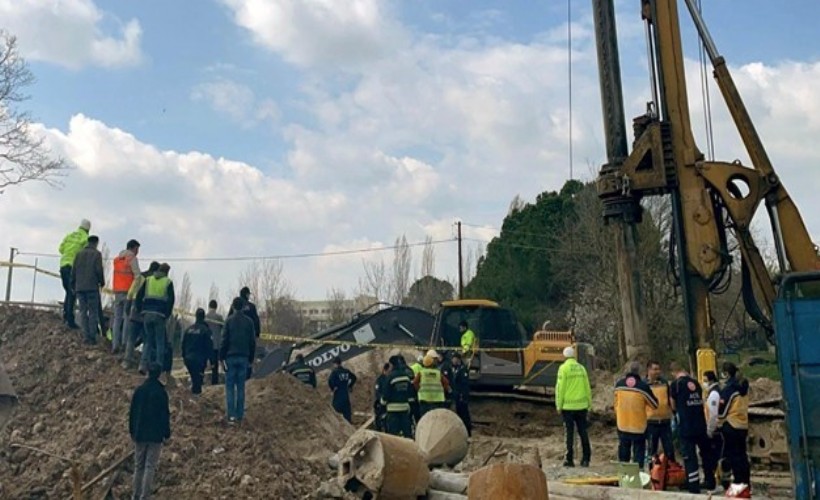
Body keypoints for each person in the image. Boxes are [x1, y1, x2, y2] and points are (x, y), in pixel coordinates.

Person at [670, 364, 717, 494]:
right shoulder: (696, 383)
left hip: (686, 427)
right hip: (701, 425)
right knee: (705, 454)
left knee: (690, 457)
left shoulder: (676, 385)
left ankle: (693, 485)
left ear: (675, 372)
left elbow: (673, 406)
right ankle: (710, 480)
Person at [129, 363, 170, 500]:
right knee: (149, 466)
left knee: (138, 466)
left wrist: (132, 431)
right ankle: (144, 496)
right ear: (159, 374)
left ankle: (135, 495)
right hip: (155, 435)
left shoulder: (139, 391)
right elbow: (165, 415)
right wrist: (166, 433)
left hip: (140, 433)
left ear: (147, 373)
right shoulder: (161, 392)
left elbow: (132, 413)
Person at [614, 361, 658, 468]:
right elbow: (654, 404)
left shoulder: (619, 385)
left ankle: (623, 475)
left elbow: (615, 403)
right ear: (640, 372)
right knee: (638, 452)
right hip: (638, 427)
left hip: (622, 424)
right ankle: (638, 476)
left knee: (624, 451)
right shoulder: (642, 387)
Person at [220, 297, 257, 424]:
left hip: (230, 357)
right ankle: (240, 415)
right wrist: (251, 358)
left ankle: (231, 416)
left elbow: (224, 340)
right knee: (241, 387)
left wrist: (221, 356)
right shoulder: (249, 322)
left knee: (229, 387)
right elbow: (252, 342)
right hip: (244, 357)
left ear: (233, 306)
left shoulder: (229, 321)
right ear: (243, 307)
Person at [136, 263, 175, 376]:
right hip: (159, 315)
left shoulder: (148, 280)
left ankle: (143, 365)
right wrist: (166, 315)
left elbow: (139, 296)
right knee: (159, 342)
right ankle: (158, 367)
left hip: (147, 314)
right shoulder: (168, 282)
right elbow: (171, 301)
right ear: (166, 272)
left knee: (148, 341)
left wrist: (141, 310)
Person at [556, 346, 592, 467]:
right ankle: (586, 458)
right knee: (583, 432)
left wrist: (558, 405)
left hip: (568, 407)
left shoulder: (563, 368)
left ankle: (569, 459)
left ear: (564, 356)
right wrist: (589, 404)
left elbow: (560, 388)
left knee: (569, 434)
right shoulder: (582, 369)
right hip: (582, 406)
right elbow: (587, 387)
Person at [718, 362, 751, 491]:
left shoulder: (729, 389)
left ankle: (737, 484)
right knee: (742, 456)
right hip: (743, 425)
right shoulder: (743, 387)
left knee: (733, 457)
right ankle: (746, 484)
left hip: (731, 425)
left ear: (726, 373)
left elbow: (722, 411)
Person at [123, 262, 159, 370]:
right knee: (147, 339)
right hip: (147, 312)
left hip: (135, 310)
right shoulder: (154, 281)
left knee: (131, 338)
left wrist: (128, 306)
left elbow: (130, 292)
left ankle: (126, 361)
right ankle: (143, 365)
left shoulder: (140, 277)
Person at [71, 235, 104, 345]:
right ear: (96, 243)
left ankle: (85, 336)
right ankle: (92, 336)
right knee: (93, 312)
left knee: (83, 312)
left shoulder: (79, 254)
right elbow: (99, 270)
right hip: (92, 287)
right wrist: (102, 282)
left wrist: (73, 284)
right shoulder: (97, 254)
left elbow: (74, 270)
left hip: (80, 287)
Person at [58, 219, 90, 329]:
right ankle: (69, 320)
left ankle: (66, 316)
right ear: (88, 230)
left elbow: (61, 249)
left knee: (68, 291)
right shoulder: (85, 238)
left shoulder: (69, 235)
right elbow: (86, 254)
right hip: (73, 268)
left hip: (63, 266)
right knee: (72, 292)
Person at [112, 240, 141, 355]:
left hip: (117, 291)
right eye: (137, 249)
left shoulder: (116, 260)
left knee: (117, 319)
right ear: (133, 248)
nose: (137, 252)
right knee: (127, 318)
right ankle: (124, 344)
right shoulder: (132, 258)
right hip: (128, 292)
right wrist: (135, 291)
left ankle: (115, 344)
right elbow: (138, 276)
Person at [646, 360, 675, 462]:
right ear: (648, 370)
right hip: (651, 422)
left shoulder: (664, 383)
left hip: (665, 422)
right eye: (655, 369)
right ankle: (652, 473)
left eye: (658, 369)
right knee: (651, 451)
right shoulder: (644, 384)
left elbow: (670, 398)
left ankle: (671, 473)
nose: (657, 372)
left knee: (669, 450)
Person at [182, 308, 214, 395]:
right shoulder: (206, 330)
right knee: (198, 382)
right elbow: (210, 346)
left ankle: (193, 399)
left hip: (188, 359)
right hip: (199, 361)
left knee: (194, 379)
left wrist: (184, 357)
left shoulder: (188, 330)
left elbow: (183, 345)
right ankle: (196, 400)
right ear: (204, 317)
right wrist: (212, 361)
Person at [380, 356, 413, 438]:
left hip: (393, 410)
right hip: (405, 408)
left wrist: (382, 403)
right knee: (407, 433)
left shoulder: (390, 377)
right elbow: (410, 391)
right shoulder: (406, 376)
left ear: (392, 365)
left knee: (393, 435)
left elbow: (386, 393)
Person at [413, 353, 450, 418]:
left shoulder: (421, 373)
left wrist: (419, 390)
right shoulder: (438, 373)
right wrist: (442, 390)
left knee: (425, 419)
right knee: (436, 419)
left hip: (425, 400)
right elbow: (446, 383)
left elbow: (415, 382)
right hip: (437, 401)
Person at [703, 370, 723, 489]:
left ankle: (715, 482)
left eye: (705, 380)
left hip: (715, 431)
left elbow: (713, 415)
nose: (704, 383)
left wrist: (709, 431)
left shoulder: (714, 394)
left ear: (710, 380)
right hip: (717, 429)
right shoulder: (715, 392)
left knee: (713, 458)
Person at [328, 356, 357, 423]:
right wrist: (350, 386)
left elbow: (330, 381)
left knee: (335, 412)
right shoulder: (346, 371)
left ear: (335, 364)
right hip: (345, 394)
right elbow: (354, 378)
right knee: (347, 412)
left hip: (338, 394)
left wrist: (333, 388)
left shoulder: (335, 372)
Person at [450, 352, 473, 437]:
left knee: (464, 414)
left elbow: (464, 384)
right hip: (456, 394)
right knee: (458, 413)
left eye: (454, 359)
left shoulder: (463, 370)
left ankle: (467, 431)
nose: (453, 360)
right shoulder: (454, 369)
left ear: (458, 359)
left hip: (462, 395)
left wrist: (463, 395)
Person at [205, 300, 224, 385]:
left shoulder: (205, 317)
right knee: (215, 365)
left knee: (205, 363)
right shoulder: (219, 317)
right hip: (216, 344)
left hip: (207, 343)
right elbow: (223, 327)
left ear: (209, 306)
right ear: (216, 307)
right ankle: (214, 382)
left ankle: (203, 381)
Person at [374, 363, 391, 432]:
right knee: (380, 419)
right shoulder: (380, 380)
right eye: (388, 371)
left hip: (389, 403)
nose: (389, 373)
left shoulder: (390, 378)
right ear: (385, 370)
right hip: (381, 403)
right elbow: (377, 391)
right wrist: (381, 399)